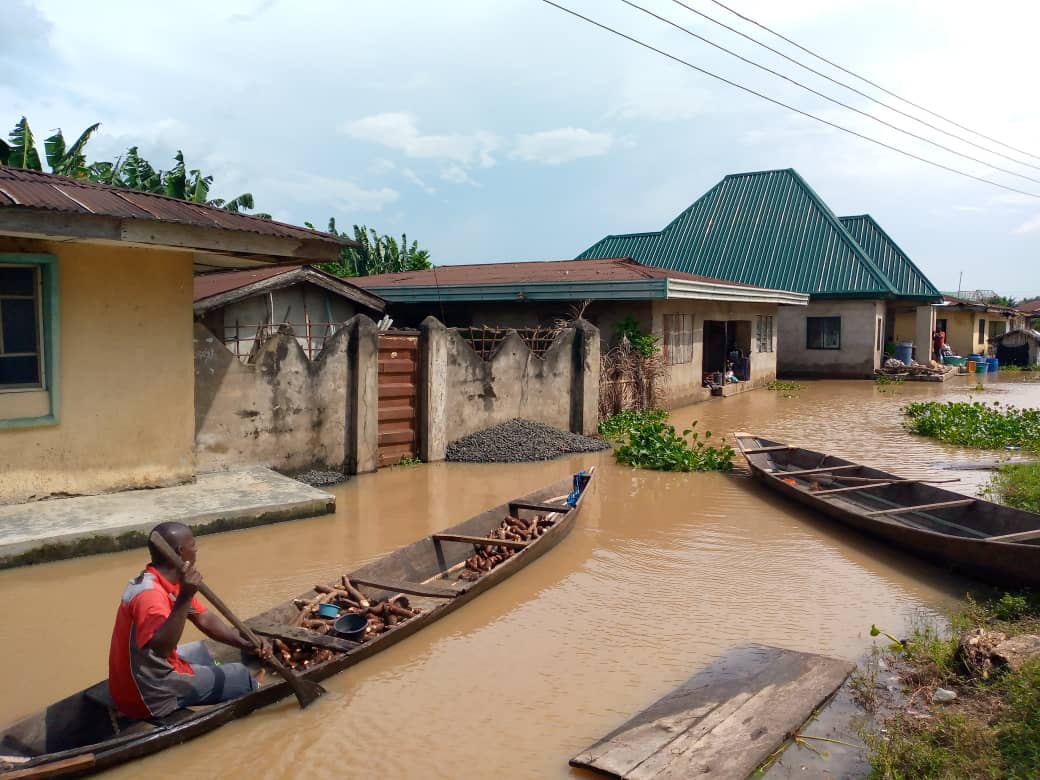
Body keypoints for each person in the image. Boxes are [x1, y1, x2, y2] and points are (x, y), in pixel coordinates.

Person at [108, 522, 271, 720]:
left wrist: (244, 643)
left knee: (201, 650)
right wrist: (185, 596)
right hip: (151, 695)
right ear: (181, 552)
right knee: (240, 674)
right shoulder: (150, 595)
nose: (196, 550)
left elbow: (204, 618)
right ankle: (254, 685)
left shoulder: (165, 579)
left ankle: (207, 674)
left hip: (135, 682)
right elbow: (161, 650)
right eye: (193, 545)